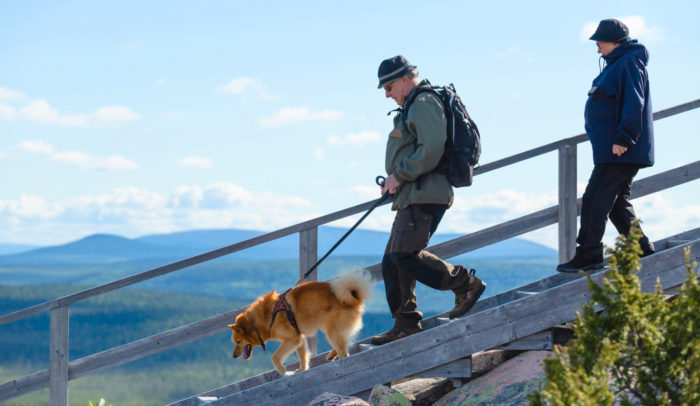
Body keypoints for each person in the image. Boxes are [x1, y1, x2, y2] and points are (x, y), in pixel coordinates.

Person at [370, 55, 486, 345]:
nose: (386, 93)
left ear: (406, 79)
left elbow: (432, 149)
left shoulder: (422, 103)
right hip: (413, 193)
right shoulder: (412, 106)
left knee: (404, 255)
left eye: (389, 86)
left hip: (426, 193)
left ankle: (465, 284)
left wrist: (400, 175)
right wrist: (396, 180)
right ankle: (405, 323)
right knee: (391, 261)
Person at [557, 19, 655, 273]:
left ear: (614, 40)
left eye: (599, 41)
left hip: (620, 150)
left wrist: (623, 138)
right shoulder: (618, 64)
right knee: (616, 202)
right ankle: (641, 247)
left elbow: (635, 102)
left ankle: (589, 254)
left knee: (594, 200)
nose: (597, 46)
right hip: (614, 150)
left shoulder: (627, 63)